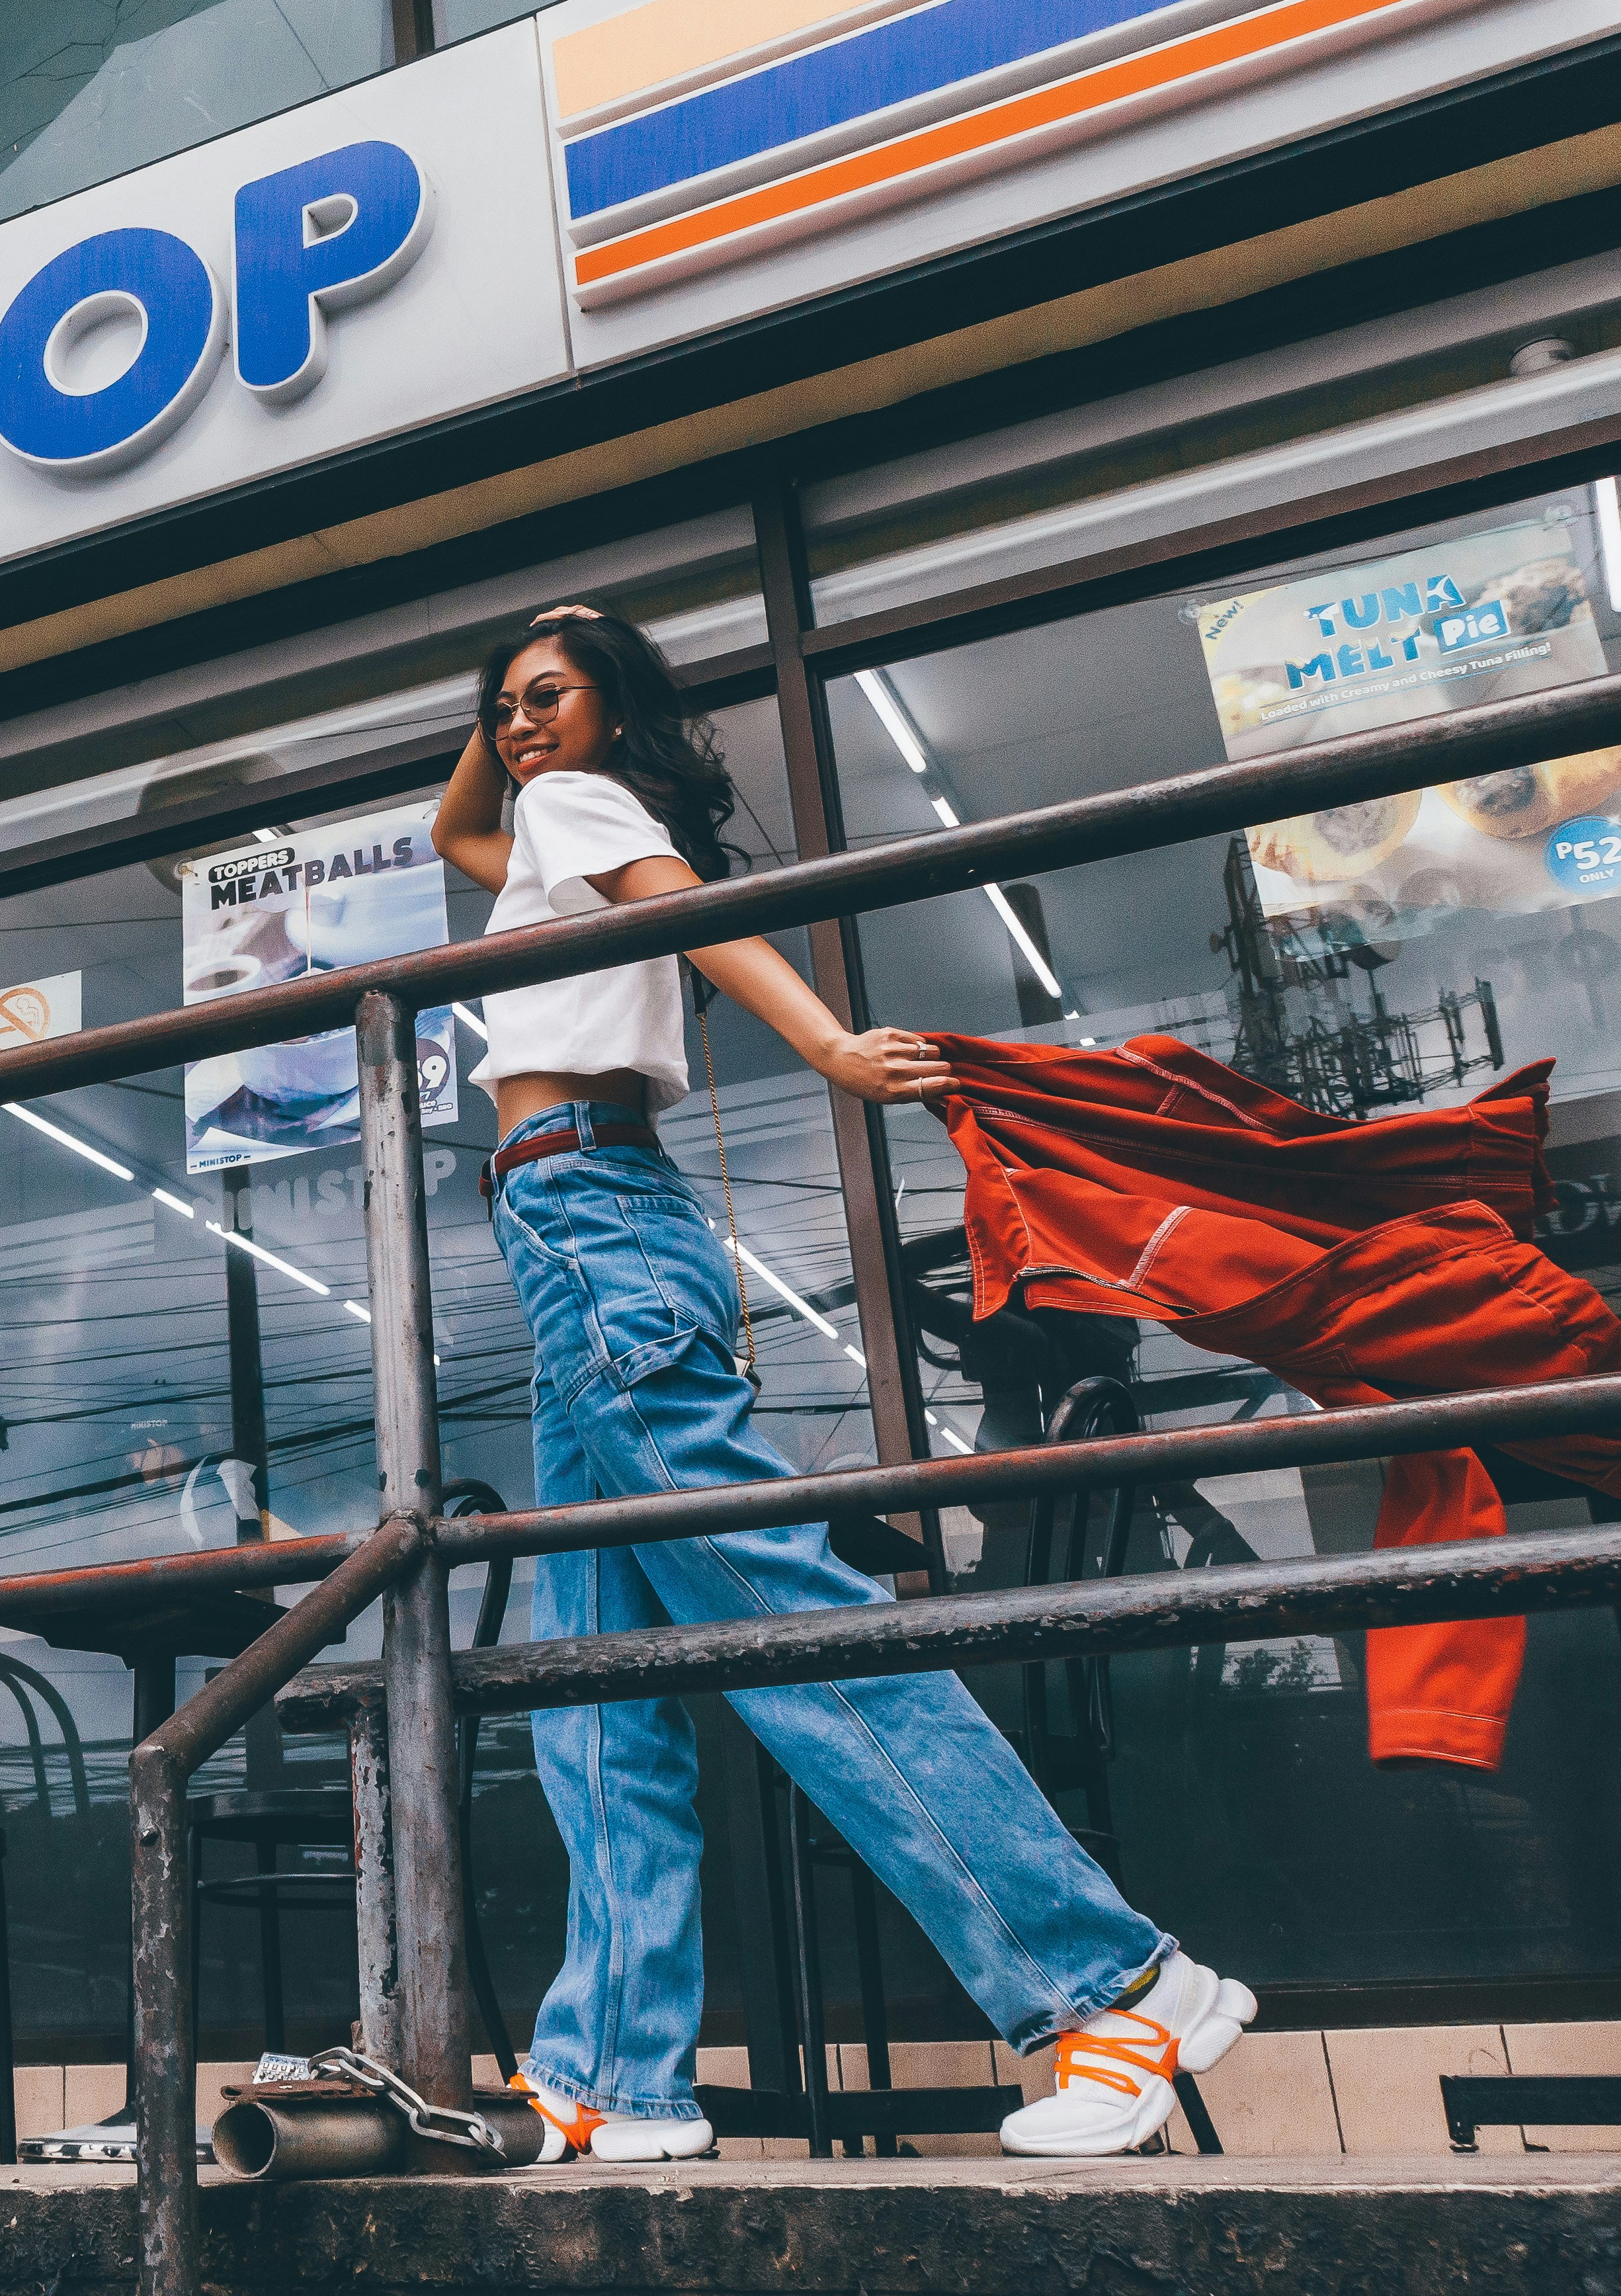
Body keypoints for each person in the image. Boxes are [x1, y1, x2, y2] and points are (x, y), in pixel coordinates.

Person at [430, 601, 1252, 2162]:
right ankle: (611, 2080)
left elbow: (687, 914)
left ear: (616, 715)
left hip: (595, 1215)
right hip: (574, 1234)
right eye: (504, 705)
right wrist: (526, 686)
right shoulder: (538, 810)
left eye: (551, 698)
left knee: (785, 1629)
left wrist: (826, 1048)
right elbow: (452, 817)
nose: (521, 729)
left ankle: (1118, 1984)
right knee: (591, 1685)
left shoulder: (582, 804)